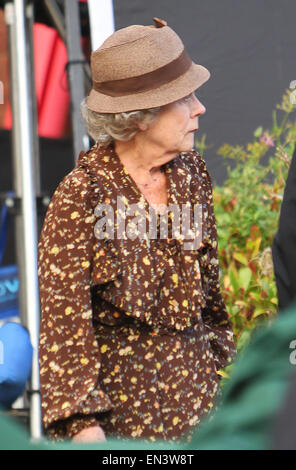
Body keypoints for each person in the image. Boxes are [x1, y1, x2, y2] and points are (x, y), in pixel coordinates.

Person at [37, 17, 236, 444]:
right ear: (141, 117)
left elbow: (211, 302)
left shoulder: (191, 175)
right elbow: (64, 328)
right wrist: (84, 428)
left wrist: (229, 388)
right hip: (123, 428)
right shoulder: (82, 196)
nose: (200, 108)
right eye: (186, 99)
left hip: (202, 415)